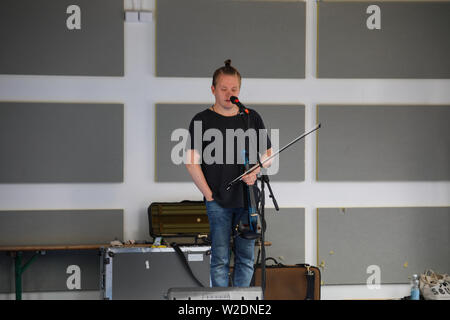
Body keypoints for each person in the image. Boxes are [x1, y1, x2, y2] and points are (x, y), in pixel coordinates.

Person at [185, 59, 273, 287]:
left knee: (246, 258)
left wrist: (257, 169)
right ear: (213, 89)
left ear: (239, 90)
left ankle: (241, 303)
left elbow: (270, 154)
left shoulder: (250, 117)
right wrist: (209, 194)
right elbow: (191, 162)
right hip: (217, 200)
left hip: (248, 198)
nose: (229, 94)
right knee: (220, 258)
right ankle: (221, 304)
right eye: (223, 89)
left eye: (234, 89)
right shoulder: (201, 120)